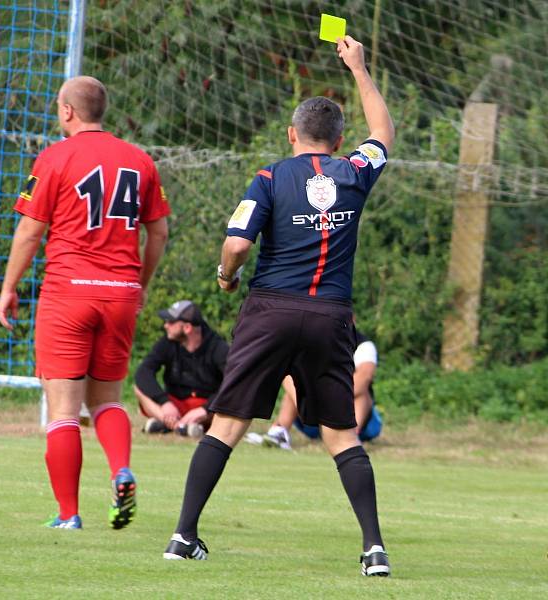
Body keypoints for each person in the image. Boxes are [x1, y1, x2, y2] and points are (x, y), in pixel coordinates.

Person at [162, 36, 395, 577]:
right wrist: (359, 68)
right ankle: (374, 550)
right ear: (338, 140)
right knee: (342, 435)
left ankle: (182, 535)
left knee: (227, 424)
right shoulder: (353, 172)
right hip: (329, 315)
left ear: (291, 134)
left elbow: (239, 243)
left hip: (269, 311)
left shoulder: (269, 177)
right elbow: (383, 132)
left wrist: (225, 275)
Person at [0, 76, 170, 530]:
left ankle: (69, 514)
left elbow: (31, 231)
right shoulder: (139, 160)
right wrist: (142, 282)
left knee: (64, 410)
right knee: (107, 399)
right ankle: (121, 470)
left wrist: (9, 286)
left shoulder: (55, 157)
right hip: (120, 293)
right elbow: (160, 232)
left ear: (68, 111)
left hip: (69, 291)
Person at [251, 328, 383, 449]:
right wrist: (308, 401)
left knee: (363, 394)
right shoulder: (313, 339)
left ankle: (352, 438)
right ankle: (279, 433)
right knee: (293, 376)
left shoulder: (363, 345)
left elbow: (364, 377)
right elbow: (287, 374)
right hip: (313, 414)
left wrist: (327, 400)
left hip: (352, 415)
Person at [134, 300, 229, 438]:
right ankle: (179, 426)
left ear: (187, 328)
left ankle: (166, 425)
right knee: (139, 388)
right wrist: (164, 402)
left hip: (207, 408)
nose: (166, 325)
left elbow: (233, 383)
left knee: (230, 401)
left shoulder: (218, 348)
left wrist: (204, 409)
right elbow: (143, 373)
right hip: (174, 405)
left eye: (171, 322)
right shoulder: (167, 342)